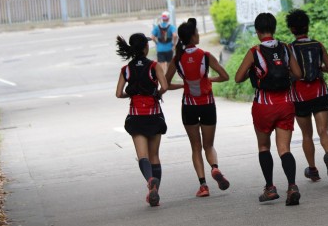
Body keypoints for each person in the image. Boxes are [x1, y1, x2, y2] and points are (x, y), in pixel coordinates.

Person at [235, 13, 303, 205]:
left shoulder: (254, 51)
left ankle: (270, 188)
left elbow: (238, 78)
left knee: (264, 146)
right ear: (274, 29)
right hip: (286, 103)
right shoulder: (285, 48)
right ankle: (292, 186)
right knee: (284, 148)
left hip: (263, 106)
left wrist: (252, 71)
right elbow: (298, 73)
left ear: (257, 31)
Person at [165, 18, 231, 198]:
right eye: (197, 33)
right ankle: (215, 168)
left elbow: (166, 84)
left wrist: (184, 85)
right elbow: (225, 76)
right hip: (207, 105)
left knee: (196, 147)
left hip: (189, 106)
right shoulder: (206, 56)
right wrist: (209, 80)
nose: (199, 35)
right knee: (209, 145)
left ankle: (203, 186)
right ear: (193, 37)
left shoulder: (177, 59)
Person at [285, 9, 328, 181]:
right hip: (319, 91)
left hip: (300, 94)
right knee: (323, 130)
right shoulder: (318, 45)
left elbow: (288, 72)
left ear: (292, 29)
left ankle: (313, 169)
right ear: (307, 26)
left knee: (307, 135)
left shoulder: (290, 49)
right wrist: (318, 68)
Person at [115, 33, 168, 207]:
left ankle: (150, 180)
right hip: (153, 115)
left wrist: (131, 94)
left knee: (142, 156)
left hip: (136, 116)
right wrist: (156, 93)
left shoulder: (126, 69)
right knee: (154, 156)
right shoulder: (154, 66)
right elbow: (165, 86)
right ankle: (155, 192)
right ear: (146, 48)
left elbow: (118, 94)